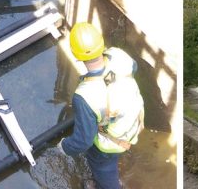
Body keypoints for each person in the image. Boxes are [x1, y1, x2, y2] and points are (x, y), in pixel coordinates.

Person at [57, 22, 144, 189]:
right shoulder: (118, 55)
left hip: (110, 144)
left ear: (77, 56)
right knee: (113, 155)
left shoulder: (84, 96)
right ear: (101, 43)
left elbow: (84, 141)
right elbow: (134, 67)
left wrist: (64, 146)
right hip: (133, 124)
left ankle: (109, 185)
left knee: (104, 168)